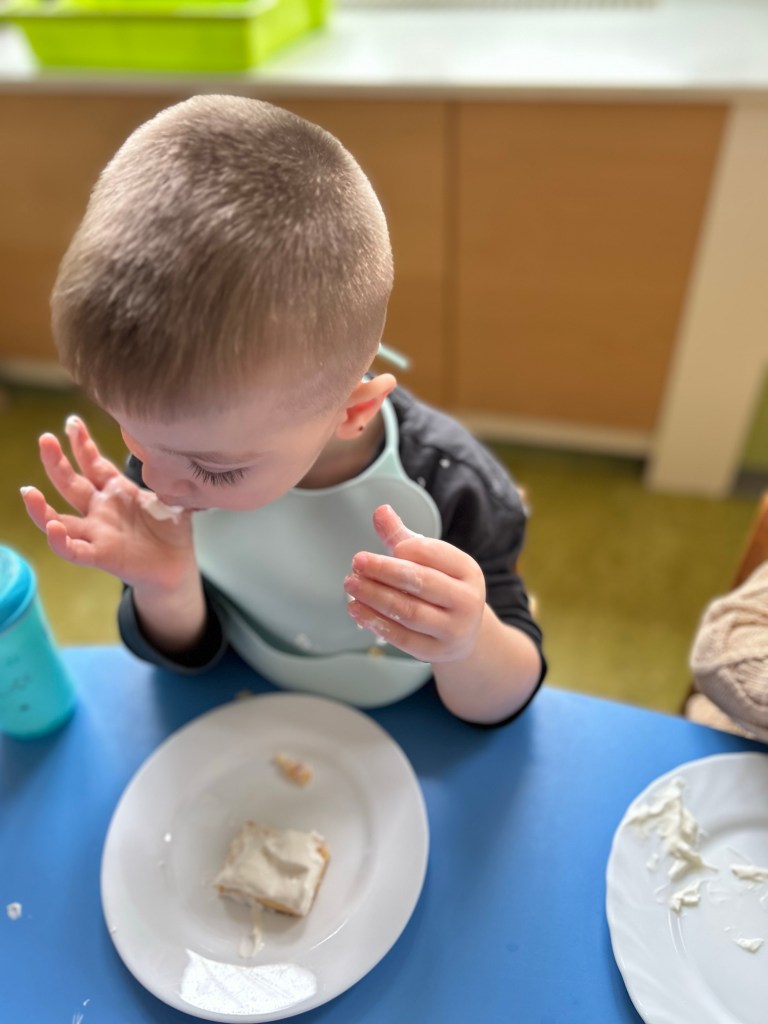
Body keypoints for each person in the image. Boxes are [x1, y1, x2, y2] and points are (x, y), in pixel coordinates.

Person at [21, 95, 545, 725]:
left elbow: (505, 701)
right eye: (129, 433)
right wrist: (167, 586)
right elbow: (190, 661)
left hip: (407, 724)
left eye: (212, 470)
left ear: (352, 411)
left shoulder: (456, 487)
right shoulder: (177, 452)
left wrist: (467, 642)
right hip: (249, 707)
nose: (155, 480)